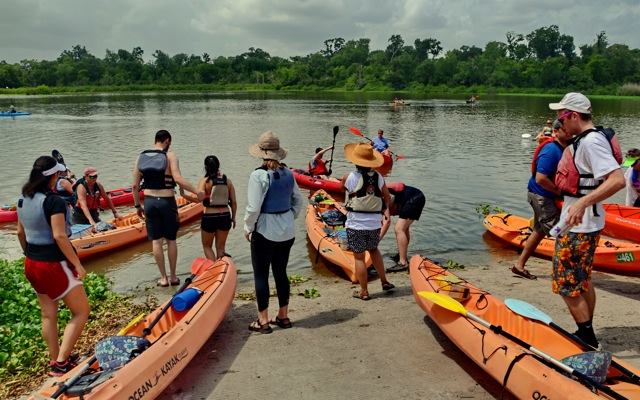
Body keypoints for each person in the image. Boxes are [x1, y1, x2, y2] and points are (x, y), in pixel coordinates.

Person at [549, 92, 626, 348]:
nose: (559, 121)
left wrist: (583, 202)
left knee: (566, 281)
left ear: (573, 116)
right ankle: (587, 329)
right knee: (583, 279)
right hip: (585, 223)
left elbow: (617, 180)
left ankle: (586, 335)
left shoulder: (591, 142)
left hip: (579, 225)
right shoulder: (586, 140)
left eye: (561, 116)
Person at [16, 156, 89, 376]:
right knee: (81, 311)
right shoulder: (54, 201)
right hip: (53, 264)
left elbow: (20, 233)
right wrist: (77, 264)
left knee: (48, 314)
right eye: (59, 174)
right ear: (54, 176)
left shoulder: (22, 199)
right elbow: (59, 235)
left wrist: (28, 253)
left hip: (31, 263)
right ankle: (61, 363)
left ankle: (55, 360)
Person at [244, 131, 303, 334]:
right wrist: (289, 216)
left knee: (261, 275)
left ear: (261, 153)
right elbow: (298, 200)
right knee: (281, 272)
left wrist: (248, 228)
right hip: (287, 231)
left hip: (265, 231)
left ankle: (263, 320)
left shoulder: (258, 175)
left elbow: (253, 208)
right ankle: (283, 316)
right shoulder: (289, 173)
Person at [132, 129, 198, 287]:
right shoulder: (170, 156)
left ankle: (163, 278)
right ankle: (174, 277)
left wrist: (137, 206)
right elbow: (178, 179)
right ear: (167, 140)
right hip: (166, 201)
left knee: (156, 241)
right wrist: (197, 191)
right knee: (171, 240)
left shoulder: (141, 157)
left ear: (155, 140)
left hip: (149, 201)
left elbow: (135, 185)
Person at [512, 120, 572, 280]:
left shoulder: (564, 148)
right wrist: (559, 191)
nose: (570, 133)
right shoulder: (551, 150)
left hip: (544, 195)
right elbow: (541, 178)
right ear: (556, 131)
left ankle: (519, 266)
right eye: (566, 130)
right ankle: (564, 272)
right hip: (541, 196)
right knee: (560, 231)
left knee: (539, 231)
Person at [342, 142, 395, 300]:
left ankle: (364, 291)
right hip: (374, 223)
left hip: (355, 224)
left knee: (359, 257)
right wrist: (382, 210)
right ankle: (384, 281)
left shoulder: (349, 177)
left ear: (356, 161)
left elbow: (341, 190)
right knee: (374, 250)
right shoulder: (379, 177)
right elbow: (387, 197)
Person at [181, 155, 237, 260]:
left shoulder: (204, 181)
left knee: (207, 247)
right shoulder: (228, 181)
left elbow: (199, 199)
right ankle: (222, 270)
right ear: (218, 165)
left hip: (209, 217)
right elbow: (233, 202)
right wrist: (233, 218)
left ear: (206, 167)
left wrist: (184, 195)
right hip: (225, 216)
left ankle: (213, 270)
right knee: (221, 249)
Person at [380, 185, 426, 272]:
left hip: (414, 198)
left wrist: (377, 241)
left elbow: (400, 185)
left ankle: (402, 262)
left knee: (399, 229)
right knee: (404, 229)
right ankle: (401, 255)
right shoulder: (385, 202)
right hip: (418, 197)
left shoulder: (382, 189)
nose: (393, 215)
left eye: (393, 212)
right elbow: (382, 223)